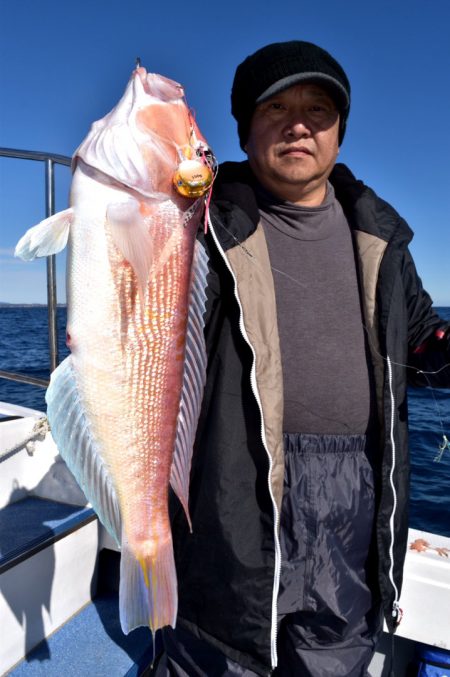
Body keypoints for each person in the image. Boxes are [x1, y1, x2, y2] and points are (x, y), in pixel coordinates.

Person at [152, 40, 450, 676]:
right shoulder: (197, 221)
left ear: (339, 130)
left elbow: (421, 339)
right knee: (217, 649)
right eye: (276, 108)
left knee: (334, 654)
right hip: (234, 480)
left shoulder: (381, 235)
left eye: (318, 109)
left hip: (355, 492)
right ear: (244, 128)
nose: (298, 124)